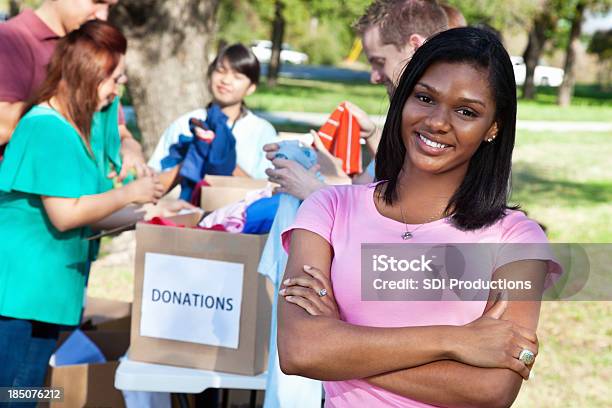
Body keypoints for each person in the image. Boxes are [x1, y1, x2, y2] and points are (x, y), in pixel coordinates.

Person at [277, 27, 561, 407]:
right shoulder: (328, 209)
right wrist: (456, 341)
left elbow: (492, 391)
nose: (438, 122)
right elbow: (299, 351)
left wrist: (339, 342)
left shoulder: (517, 240)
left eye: (466, 111)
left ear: (493, 127)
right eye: (425, 97)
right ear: (403, 100)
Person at [0, 20, 164, 391]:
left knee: (23, 394)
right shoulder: (46, 126)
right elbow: (65, 215)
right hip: (17, 297)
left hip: (42, 295)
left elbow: (86, 211)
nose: (117, 89)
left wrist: (146, 217)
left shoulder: (73, 127)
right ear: (88, 74)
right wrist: (128, 194)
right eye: (114, 79)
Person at [264, 0, 453, 198]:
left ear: (415, 47)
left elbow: (403, 208)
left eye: (380, 62)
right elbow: (366, 186)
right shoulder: (409, 114)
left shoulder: (434, 123)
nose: (374, 77)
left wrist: (313, 191)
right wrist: (371, 135)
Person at [0, 0, 150, 181]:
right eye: (97, 2)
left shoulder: (94, 46)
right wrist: (71, 104)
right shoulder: (9, 39)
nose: (103, 16)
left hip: (86, 198)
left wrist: (130, 146)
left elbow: (117, 129)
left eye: (109, 7)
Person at [148, 43, 278, 183]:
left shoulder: (263, 131)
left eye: (237, 76)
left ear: (251, 87)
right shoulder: (187, 123)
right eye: (220, 71)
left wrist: (224, 159)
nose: (226, 80)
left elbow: (267, 190)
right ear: (210, 75)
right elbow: (154, 178)